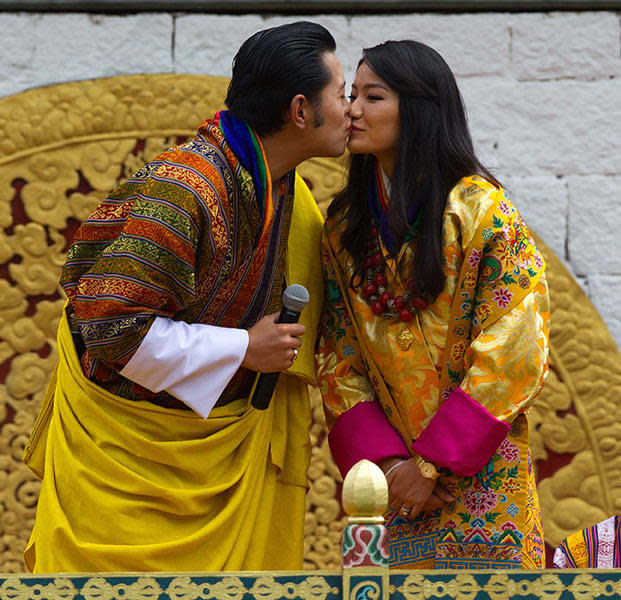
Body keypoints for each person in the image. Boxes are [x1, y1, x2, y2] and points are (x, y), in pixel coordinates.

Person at [22, 21, 351, 573]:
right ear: (300, 110)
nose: (350, 111)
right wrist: (243, 348)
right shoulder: (186, 189)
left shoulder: (281, 186)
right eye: (341, 95)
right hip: (126, 472)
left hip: (214, 455)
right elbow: (111, 330)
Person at [316, 40, 550, 570]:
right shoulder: (343, 227)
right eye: (352, 95)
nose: (352, 109)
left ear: (419, 108)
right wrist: (392, 465)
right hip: (389, 492)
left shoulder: (486, 214)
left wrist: (431, 465)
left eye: (372, 97)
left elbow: (514, 351)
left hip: (483, 484)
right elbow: (337, 356)